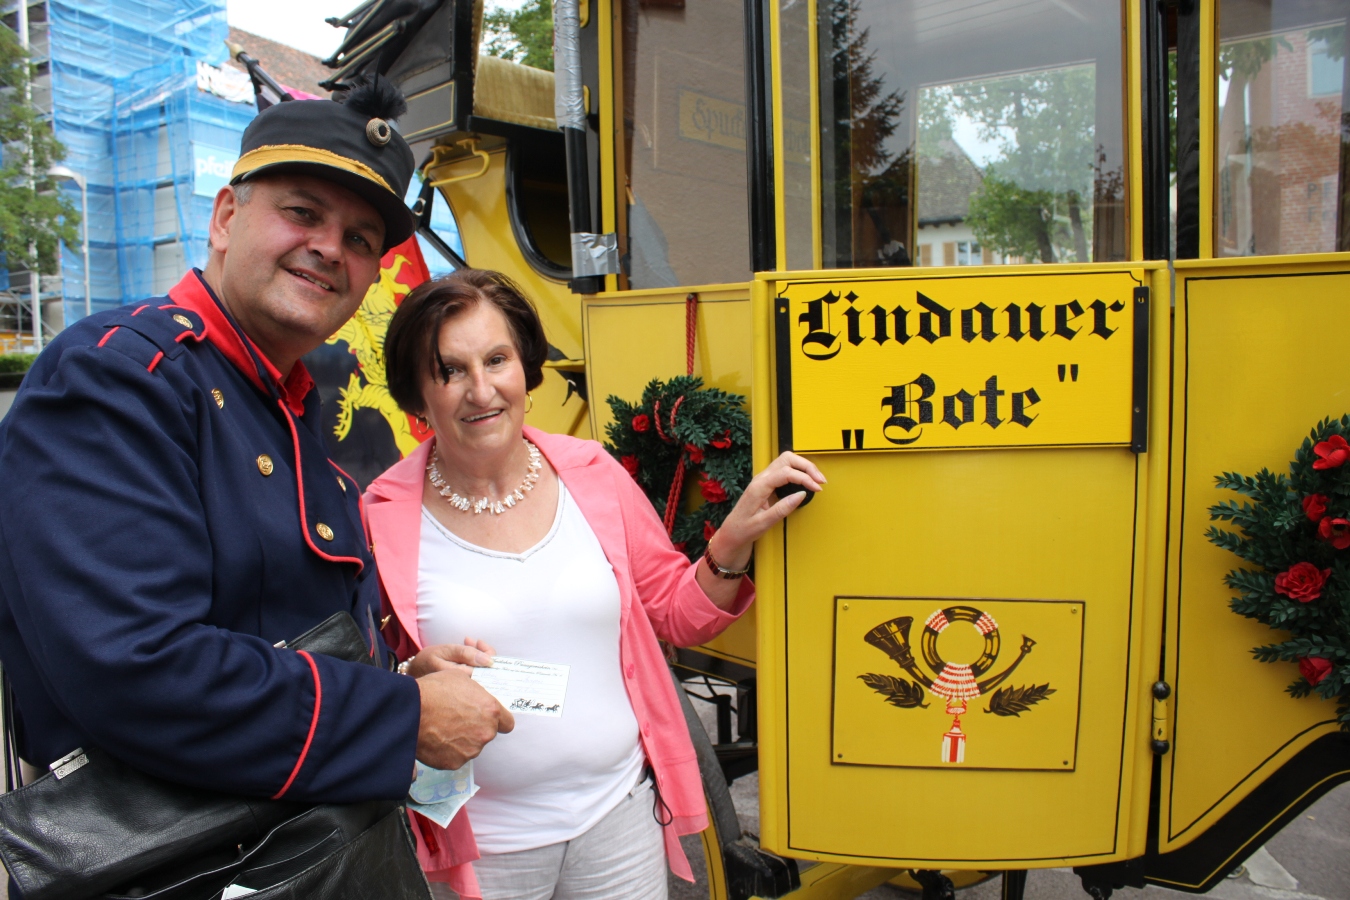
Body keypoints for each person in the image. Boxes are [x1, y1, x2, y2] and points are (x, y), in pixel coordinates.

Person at [0, 75, 512, 892]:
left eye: (360, 239)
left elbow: (273, 627)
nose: (330, 248)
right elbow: (138, 670)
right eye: (303, 213)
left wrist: (394, 679)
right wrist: (401, 717)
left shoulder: (280, 402)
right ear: (226, 218)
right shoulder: (121, 378)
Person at [365, 268, 826, 899]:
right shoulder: (379, 514)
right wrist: (407, 682)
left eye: (497, 359)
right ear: (418, 396)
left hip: (618, 824)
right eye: (450, 370)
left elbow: (677, 614)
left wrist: (733, 538)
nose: (482, 389)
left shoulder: (591, 471)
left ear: (525, 368)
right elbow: (357, 678)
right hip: (482, 850)